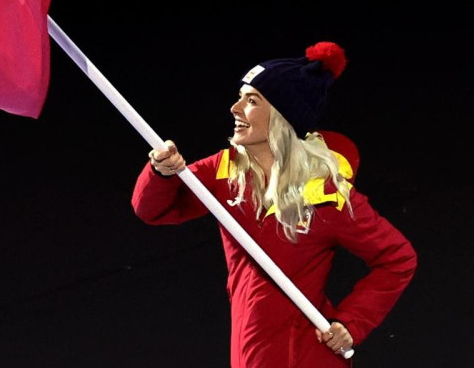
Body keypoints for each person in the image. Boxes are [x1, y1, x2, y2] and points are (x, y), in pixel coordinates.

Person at [131, 42, 416, 367]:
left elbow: (397, 258)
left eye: (252, 101)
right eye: (240, 97)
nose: (235, 108)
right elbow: (152, 210)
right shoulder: (225, 171)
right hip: (251, 352)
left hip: (306, 357)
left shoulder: (327, 194)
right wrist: (161, 172)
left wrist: (352, 323)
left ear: (283, 116)